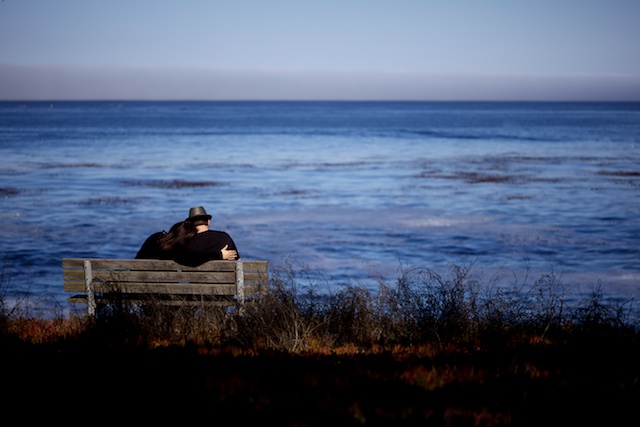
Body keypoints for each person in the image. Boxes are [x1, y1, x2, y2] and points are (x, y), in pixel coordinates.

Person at [135, 220, 212, 266]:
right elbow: (194, 258)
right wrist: (220, 255)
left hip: (135, 285)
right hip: (159, 289)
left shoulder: (155, 237)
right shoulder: (176, 249)